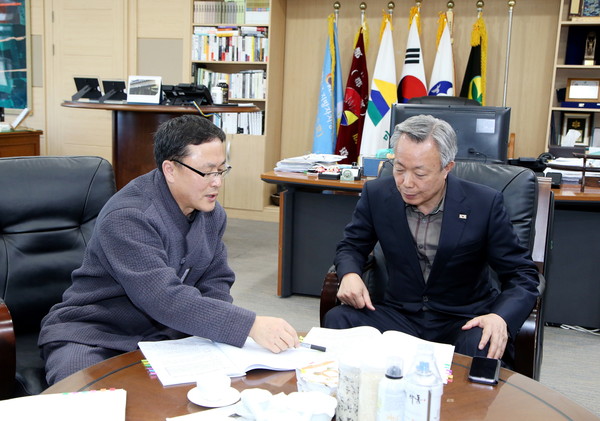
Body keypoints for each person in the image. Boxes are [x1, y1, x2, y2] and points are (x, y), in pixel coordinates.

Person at [39, 115, 299, 384]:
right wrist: (250, 325)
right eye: (207, 172)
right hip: (95, 335)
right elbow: (162, 297)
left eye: (221, 170)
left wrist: (215, 334)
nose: (217, 182)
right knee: (88, 402)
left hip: (167, 335)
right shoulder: (129, 216)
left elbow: (216, 281)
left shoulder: (211, 213)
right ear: (170, 170)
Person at [324, 114, 539, 364]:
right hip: (399, 316)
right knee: (339, 320)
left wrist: (500, 317)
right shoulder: (377, 194)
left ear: (447, 168)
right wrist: (350, 274)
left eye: (420, 174)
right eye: (400, 169)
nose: (406, 183)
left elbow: (522, 273)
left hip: (462, 320)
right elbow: (352, 245)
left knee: (485, 342)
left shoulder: (484, 203)